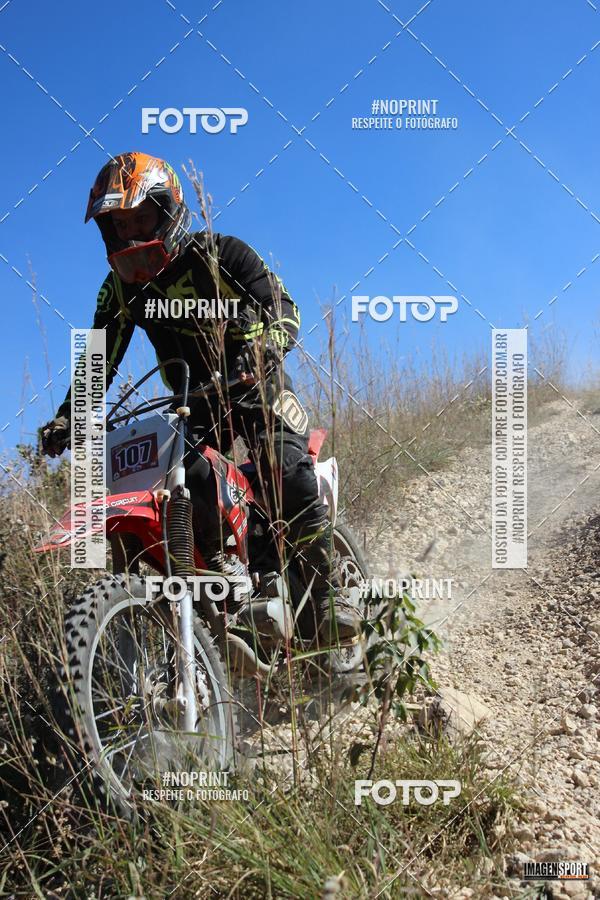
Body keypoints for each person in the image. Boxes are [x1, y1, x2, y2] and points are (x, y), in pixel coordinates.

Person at [40, 151, 359, 641]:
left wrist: (264, 346)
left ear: (168, 213)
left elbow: (281, 304)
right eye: (119, 226)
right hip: (194, 403)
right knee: (177, 484)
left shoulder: (220, 253)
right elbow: (98, 357)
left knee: (282, 464)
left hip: (254, 386)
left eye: (142, 218)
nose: (131, 235)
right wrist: (69, 418)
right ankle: (224, 591)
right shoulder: (120, 291)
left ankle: (329, 593)